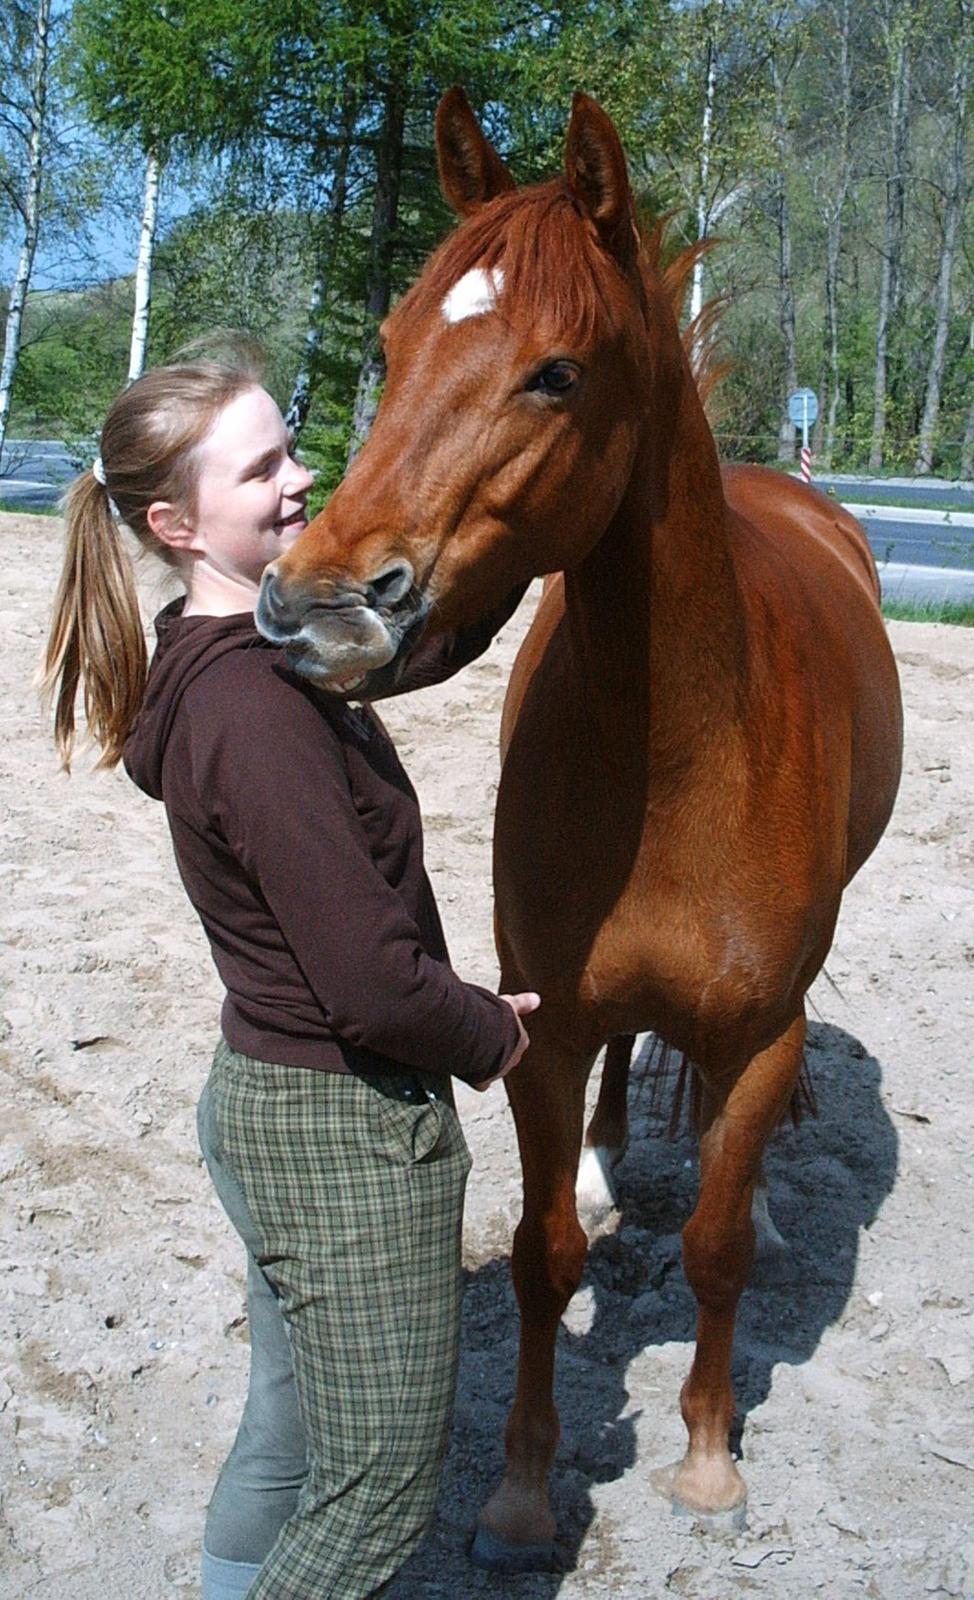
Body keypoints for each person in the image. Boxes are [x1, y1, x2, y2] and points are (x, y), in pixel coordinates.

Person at [41, 342, 538, 1600]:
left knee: (291, 1424)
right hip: (341, 1123)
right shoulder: (253, 711)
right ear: (174, 520)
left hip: (265, 1090)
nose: (299, 477)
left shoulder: (221, 652)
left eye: (289, 448)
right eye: (262, 468)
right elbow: (370, 984)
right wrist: (487, 1032)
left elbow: (390, 654)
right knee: (373, 1490)